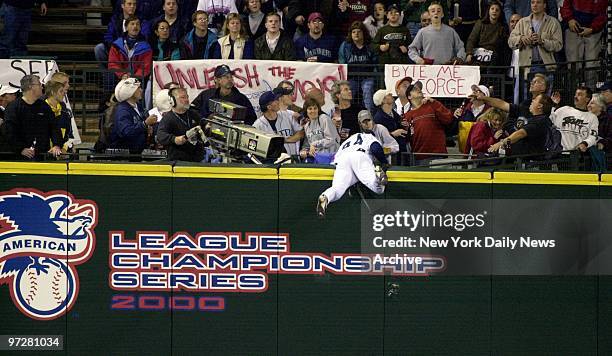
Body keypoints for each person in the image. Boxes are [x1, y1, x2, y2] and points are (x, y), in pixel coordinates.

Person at [316, 109, 389, 218]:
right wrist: (384, 162)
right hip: (360, 157)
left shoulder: (349, 140)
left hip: (343, 160)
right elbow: (376, 148)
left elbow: (335, 158)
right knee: (378, 189)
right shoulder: (369, 136)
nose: (367, 124)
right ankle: (378, 173)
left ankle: (325, 196)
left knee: (337, 190)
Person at [3, 75, 62, 160]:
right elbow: (9, 132)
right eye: (39, 84)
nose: (42, 87)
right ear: (31, 86)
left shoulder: (44, 106)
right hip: (20, 158)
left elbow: (54, 127)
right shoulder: (13, 108)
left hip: (42, 156)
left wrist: (57, 145)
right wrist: (21, 148)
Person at [480, 91, 555, 156]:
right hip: (520, 160)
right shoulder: (528, 113)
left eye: (535, 100)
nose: (532, 100)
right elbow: (502, 104)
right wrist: (483, 98)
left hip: (531, 165)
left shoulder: (541, 121)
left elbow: (521, 133)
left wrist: (501, 143)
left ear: (540, 106)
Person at [507, 0, 562, 80]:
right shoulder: (522, 22)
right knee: (525, 92)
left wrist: (542, 41)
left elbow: (558, 45)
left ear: (544, 5)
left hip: (545, 67)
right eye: (533, 2)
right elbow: (510, 42)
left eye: (538, 2)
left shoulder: (553, 22)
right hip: (525, 68)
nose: (535, 5)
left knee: (543, 92)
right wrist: (521, 38)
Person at [401, 81, 453, 163]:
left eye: (419, 89)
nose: (419, 90)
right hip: (419, 157)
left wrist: (435, 102)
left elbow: (448, 118)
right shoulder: (406, 116)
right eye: (414, 89)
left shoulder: (432, 105)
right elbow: (406, 138)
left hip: (438, 154)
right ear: (409, 96)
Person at [560, 0, 607, 88]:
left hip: (593, 32)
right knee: (573, 65)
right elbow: (565, 6)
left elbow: (602, 14)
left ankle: (590, 95)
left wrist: (592, 28)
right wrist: (570, 19)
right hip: (573, 29)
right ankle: (573, 95)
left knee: (591, 65)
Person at [191, 64, 257, 124]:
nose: (230, 79)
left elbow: (252, 118)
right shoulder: (206, 95)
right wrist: (205, 120)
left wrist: (238, 125)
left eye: (231, 77)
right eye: (226, 77)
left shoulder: (241, 99)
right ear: (216, 79)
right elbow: (192, 109)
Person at [109, 77, 158, 153]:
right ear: (130, 92)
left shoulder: (138, 106)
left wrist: (147, 128)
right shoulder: (122, 111)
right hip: (126, 155)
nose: (141, 90)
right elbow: (127, 132)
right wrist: (145, 124)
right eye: (138, 88)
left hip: (137, 150)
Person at [157, 87, 207, 161]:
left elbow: (204, 125)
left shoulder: (193, 114)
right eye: (183, 97)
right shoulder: (168, 118)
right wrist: (174, 139)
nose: (186, 100)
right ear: (172, 101)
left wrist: (207, 127)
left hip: (197, 159)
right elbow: (160, 135)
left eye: (187, 97)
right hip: (179, 161)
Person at [338, 21, 378, 112]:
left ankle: (369, 117)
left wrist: (374, 77)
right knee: (347, 92)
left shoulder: (370, 46)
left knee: (368, 92)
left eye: (359, 32)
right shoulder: (345, 46)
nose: (356, 34)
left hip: (367, 77)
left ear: (364, 33)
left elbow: (375, 62)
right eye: (354, 32)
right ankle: (347, 114)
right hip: (351, 78)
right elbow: (342, 63)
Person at [252, 91, 304, 155]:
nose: (278, 101)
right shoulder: (258, 125)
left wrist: (285, 140)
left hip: (292, 160)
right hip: (271, 163)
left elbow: (301, 133)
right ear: (269, 107)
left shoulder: (288, 114)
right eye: (275, 100)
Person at [549, 86, 598, 152]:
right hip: (557, 154)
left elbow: (593, 136)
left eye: (579, 95)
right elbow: (549, 120)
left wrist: (585, 144)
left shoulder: (592, 117)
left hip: (576, 156)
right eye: (576, 94)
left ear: (587, 99)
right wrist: (553, 105)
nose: (575, 97)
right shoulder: (564, 109)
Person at [465, 0, 509, 66]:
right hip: (479, 53)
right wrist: (469, 53)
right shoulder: (480, 23)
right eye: (492, 9)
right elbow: (471, 40)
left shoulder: (502, 27)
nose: (494, 11)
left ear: (500, 13)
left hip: (494, 56)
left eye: (497, 10)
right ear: (488, 11)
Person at [372, 89, 408, 162]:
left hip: (401, 151)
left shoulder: (393, 113)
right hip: (390, 157)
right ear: (383, 100)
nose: (391, 94)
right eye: (388, 94)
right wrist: (393, 134)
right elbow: (378, 138)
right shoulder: (378, 118)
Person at [44, 81, 73, 151]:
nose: (64, 93)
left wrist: (64, 148)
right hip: (41, 155)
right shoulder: (40, 110)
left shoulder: (65, 113)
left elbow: (69, 136)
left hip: (58, 155)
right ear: (52, 92)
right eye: (61, 91)